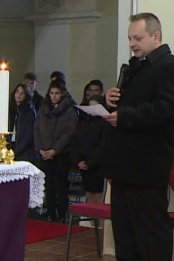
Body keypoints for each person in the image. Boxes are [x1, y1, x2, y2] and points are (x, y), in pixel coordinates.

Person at [94, 12, 174, 261]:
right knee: (124, 224)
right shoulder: (136, 67)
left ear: (155, 36)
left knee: (150, 226)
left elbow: (170, 107)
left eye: (138, 38)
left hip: (149, 160)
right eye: (130, 39)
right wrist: (112, 100)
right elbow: (132, 104)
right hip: (124, 159)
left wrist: (126, 115)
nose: (132, 44)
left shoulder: (171, 66)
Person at [34, 80, 77, 222]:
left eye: (57, 93)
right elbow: (37, 129)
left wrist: (55, 149)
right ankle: (51, 213)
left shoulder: (70, 110)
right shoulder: (43, 109)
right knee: (49, 185)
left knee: (61, 185)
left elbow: (69, 133)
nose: (54, 96)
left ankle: (63, 214)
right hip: (44, 152)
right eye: (52, 93)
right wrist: (40, 148)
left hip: (61, 154)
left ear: (62, 94)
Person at [70, 94, 107, 204]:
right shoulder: (83, 124)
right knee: (89, 195)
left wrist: (90, 163)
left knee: (98, 197)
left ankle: (98, 217)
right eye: (90, 107)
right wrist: (78, 161)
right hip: (84, 165)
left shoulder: (105, 124)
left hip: (98, 166)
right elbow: (76, 143)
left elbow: (103, 146)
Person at [9, 83, 37, 163]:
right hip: (12, 146)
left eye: (22, 93)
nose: (19, 95)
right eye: (17, 92)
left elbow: (29, 135)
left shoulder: (29, 111)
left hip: (25, 152)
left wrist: (17, 151)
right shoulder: (12, 109)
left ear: (26, 96)